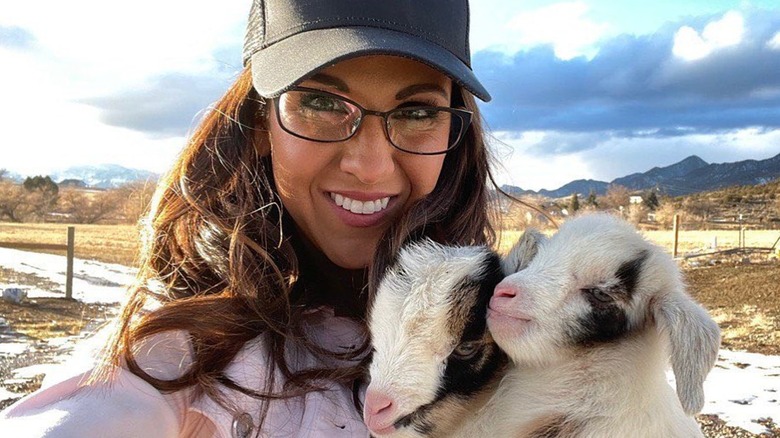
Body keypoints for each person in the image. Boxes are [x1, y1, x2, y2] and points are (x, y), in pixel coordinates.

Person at [0, 0, 500, 436]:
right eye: (321, 103)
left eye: (416, 112)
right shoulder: (179, 353)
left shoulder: (511, 327)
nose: (368, 168)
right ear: (261, 123)